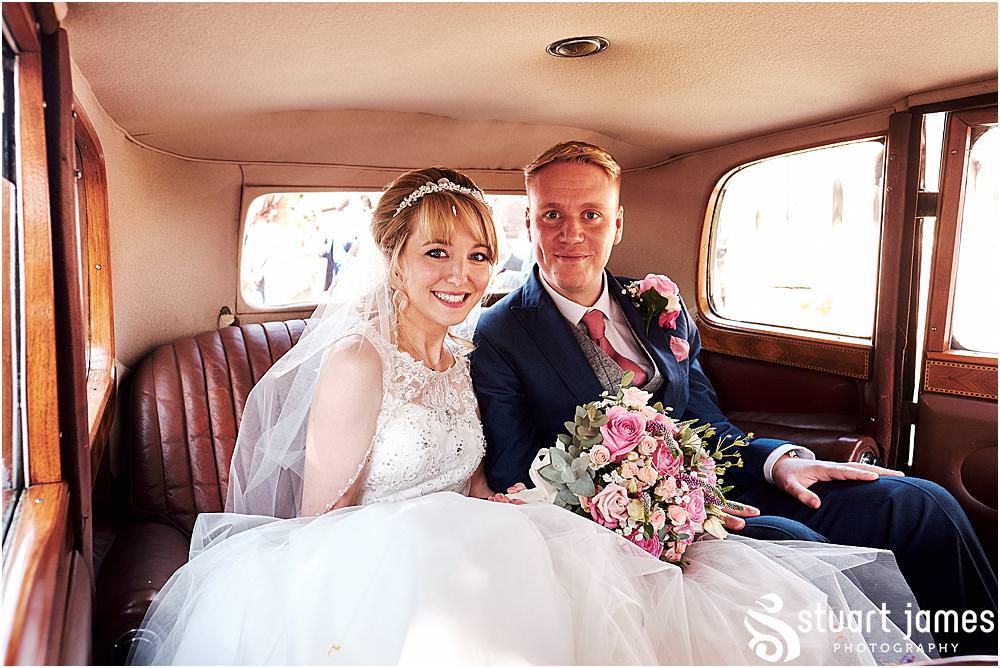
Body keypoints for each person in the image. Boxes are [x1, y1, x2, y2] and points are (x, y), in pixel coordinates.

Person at [130, 167, 929, 665]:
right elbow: (318, 523)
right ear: (396, 261)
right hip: (377, 564)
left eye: (477, 255)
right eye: (437, 254)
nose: (462, 275)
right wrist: (437, 547)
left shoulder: (462, 355)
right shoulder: (358, 363)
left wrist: (503, 505)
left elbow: (475, 471)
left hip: (482, 531)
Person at [471, 141, 998, 656]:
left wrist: (779, 462)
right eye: (552, 215)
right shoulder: (501, 332)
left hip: (721, 484)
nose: (572, 234)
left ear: (618, 224)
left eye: (591, 215)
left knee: (921, 504)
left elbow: (705, 422)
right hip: (625, 527)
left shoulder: (656, 301)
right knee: (791, 540)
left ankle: (975, 654)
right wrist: (657, 514)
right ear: (529, 222)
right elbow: (517, 471)